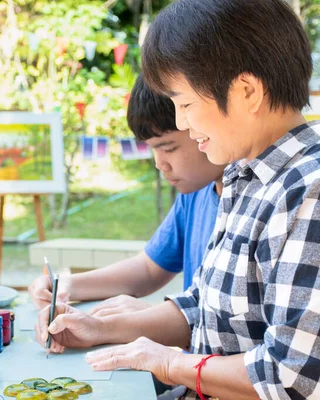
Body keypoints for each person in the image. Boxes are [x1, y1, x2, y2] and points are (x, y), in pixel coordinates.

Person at [35, 0, 320, 399]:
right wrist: (100, 329)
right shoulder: (244, 175)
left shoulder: (317, 187)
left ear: (246, 91)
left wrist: (170, 363)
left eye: (184, 103)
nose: (182, 123)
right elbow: (207, 307)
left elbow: (293, 376)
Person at [28, 74, 225, 317]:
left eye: (168, 148)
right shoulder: (195, 193)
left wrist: (152, 316)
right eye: (152, 149)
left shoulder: (254, 202)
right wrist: (68, 285)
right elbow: (148, 268)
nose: (160, 164)